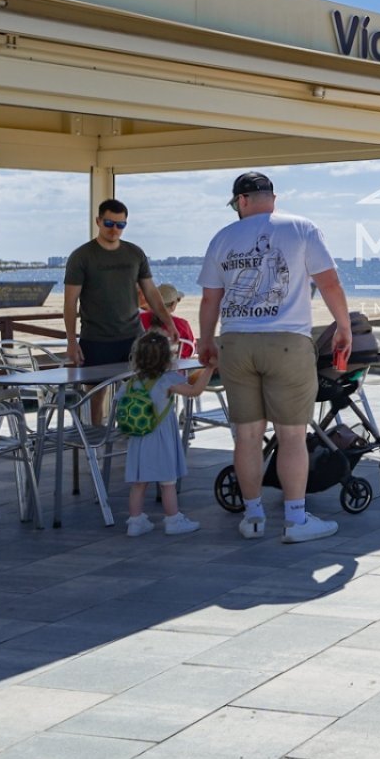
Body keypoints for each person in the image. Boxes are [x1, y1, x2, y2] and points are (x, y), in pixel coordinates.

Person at [197, 171, 352, 545]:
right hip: (286, 342)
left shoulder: (222, 238)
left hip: (236, 343)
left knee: (248, 435)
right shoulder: (301, 228)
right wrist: (343, 327)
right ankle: (296, 520)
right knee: (292, 435)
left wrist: (206, 340)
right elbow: (329, 283)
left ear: (242, 200)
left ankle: (252, 517)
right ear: (272, 197)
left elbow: (210, 299)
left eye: (236, 204)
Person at [120, 330, 211, 537]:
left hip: (138, 439)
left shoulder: (132, 382)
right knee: (167, 482)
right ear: (167, 358)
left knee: (139, 483)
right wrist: (209, 369)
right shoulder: (167, 380)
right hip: (161, 439)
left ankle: (135, 522)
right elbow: (194, 391)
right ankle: (173, 519)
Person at [64, 199, 175, 367]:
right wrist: (71, 341)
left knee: (139, 383)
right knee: (98, 385)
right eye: (109, 223)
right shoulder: (81, 257)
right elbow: (70, 302)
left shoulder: (135, 253)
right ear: (98, 221)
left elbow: (151, 292)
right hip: (96, 341)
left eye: (120, 225)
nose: (114, 229)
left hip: (134, 337)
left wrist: (169, 324)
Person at [139, 282, 198, 357]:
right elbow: (190, 350)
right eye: (178, 300)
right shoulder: (182, 324)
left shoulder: (139, 319)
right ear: (173, 305)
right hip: (173, 364)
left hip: (143, 362)